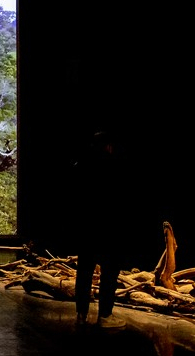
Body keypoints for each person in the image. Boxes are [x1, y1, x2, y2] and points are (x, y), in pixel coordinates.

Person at [72, 128, 127, 329]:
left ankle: (81, 314)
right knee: (110, 271)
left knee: (84, 269)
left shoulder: (81, 165)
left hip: (86, 227)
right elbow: (119, 200)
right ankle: (105, 315)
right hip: (108, 228)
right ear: (109, 146)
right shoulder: (113, 165)